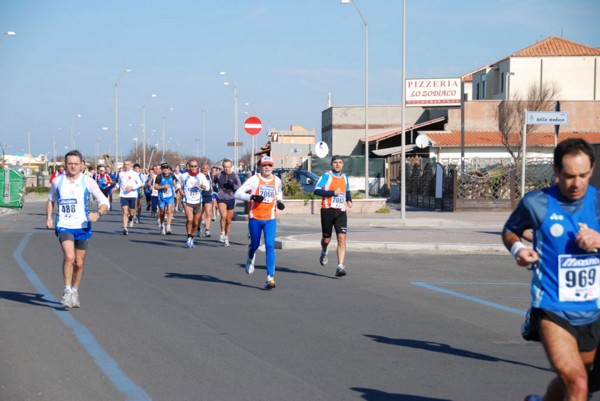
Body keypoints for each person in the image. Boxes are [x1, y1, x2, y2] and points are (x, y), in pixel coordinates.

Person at [502, 138, 600, 401]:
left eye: (583, 175)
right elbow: (510, 231)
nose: (576, 183)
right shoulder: (537, 203)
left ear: (592, 169)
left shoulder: (599, 204)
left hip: (592, 311)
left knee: (578, 380)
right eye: (568, 176)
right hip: (552, 308)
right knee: (578, 383)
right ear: (555, 172)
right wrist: (519, 250)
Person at [45, 150, 109, 308]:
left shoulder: (88, 181)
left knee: (79, 263)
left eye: (76, 163)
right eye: (70, 163)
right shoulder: (57, 181)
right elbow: (51, 199)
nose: (73, 166)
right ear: (65, 165)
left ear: (82, 165)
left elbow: (105, 201)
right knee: (69, 257)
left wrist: (98, 213)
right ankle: (67, 291)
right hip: (64, 225)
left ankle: (74, 291)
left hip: (82, 226)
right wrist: (49, 217)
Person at [235, 156, 284, 289]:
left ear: (272, 167)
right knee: (255, 244)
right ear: (260, 167)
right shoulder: (254, 180)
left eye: (269, 165)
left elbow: (279, 193)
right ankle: (250, 257)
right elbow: (237, 193)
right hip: (255, 217)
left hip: (270, 218)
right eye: (264, 165)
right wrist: (252, 197)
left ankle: (270, 277)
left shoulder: (277, 180)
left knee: (269, 246)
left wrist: (279, 202)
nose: (267, 167)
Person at [314, 155, 353, 277]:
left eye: (340, 162)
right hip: (327, 211)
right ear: (331, 164)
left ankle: (340, 266)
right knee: (327, 240)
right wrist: (332, 193)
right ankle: (324, 250)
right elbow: (316, 190)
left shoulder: (345, 177)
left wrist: (349, 200)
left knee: (341, 238)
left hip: (341, 212)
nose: (338, 164)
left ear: (343, 165)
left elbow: (347, 191)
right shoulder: (327, 176)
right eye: (335, 162)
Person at [180, 159, 209, 248]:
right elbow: (178, 184)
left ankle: (192, 237)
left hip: (198, 201)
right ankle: (188, 238)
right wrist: (180, 191)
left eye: (195, 166)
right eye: (191, 166)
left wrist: (200, 186)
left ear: (197, 167)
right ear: (189, 166)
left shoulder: (201, 176)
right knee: (190, 219)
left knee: (196, 223)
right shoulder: (184, 176)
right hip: (187, 201)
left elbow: (207, 188)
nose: (193, 168)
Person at [215, 159, 241, 247]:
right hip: (221, 197)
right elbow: (213, 183)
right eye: (225, 167)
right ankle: (222, 232)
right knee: (223, 215)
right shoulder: (219, 175)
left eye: (228, 167)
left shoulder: (235, 176)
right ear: (223, 167)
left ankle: (226, 237)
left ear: (231, 167)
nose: (226, 169)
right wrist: (214, 189)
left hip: (231, 198)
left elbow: (239, 187)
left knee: (229, 220)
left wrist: (232, 185)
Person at [117, 160, 144, 235]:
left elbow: (139, 183)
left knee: (132, 212)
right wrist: (115, 187)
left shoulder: (134, 174)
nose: (126, 166)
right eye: (125, 164)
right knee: (125, 210)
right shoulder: (121, 174)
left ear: (130, 165)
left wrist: (132, 187)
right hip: (123, 194)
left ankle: (131, 218)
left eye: (128, 164)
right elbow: (119, 182)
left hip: (132, 194)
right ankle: (125, 228)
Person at [155, 163, 178, 235]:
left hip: (170, 196)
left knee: (169, 211)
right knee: (162, 212)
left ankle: (168, 226)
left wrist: (176, 188)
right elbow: (155, 187)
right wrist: (163, 186)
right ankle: (162, 225)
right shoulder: (159, 177)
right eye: (164, 168)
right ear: (162, 170)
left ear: (169, 169)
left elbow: (175, 183)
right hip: (162, 196)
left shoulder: (172, 175)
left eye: (167, 168)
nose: (165, 170)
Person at [200, 163, 214, 237]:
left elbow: (211, 184)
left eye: (206, 168)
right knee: (200, 214)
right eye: (203, 168)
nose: (205, 170)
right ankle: (199, 229)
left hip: (208, 196)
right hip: (199, 196)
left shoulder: (209, 176)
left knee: (208, 213)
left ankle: (207, 230)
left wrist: (212, 190)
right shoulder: (199, 176)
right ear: (201, 169)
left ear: (208, 170)